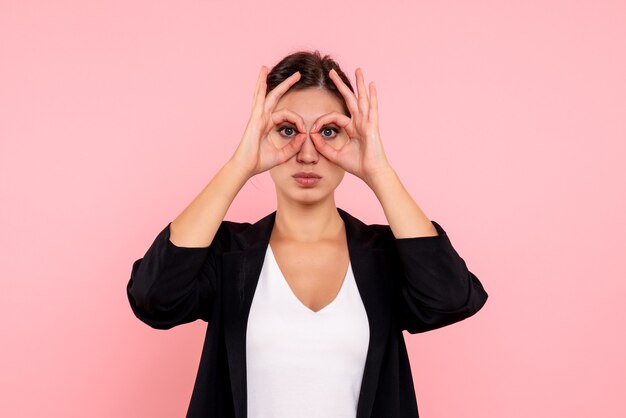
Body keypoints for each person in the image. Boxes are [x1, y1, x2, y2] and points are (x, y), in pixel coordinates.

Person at [126, 50, 489, 418]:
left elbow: (451, 298)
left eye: (328, 132)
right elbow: (154, 296)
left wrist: (379, 172)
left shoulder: (384, 258)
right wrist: (239, 165)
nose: (308, 154)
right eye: (288, 131)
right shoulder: (228, 256)